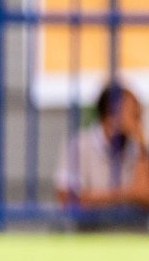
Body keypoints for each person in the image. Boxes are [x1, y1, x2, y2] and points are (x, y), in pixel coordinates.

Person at [55, 83, 149, 226]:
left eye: (138, 115)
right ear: (110, 115)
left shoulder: (139, 148)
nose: (137, 123)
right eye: (132, 115)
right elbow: (66, 199)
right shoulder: (80, 145)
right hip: (90, 235)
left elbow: (144, 195)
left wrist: (142, 147)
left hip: (131, 236)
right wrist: (126, 194)